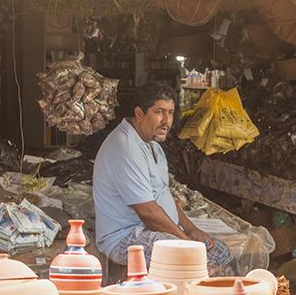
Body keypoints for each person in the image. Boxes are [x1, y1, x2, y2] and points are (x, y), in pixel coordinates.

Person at [93, 84, 235, 275]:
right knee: (187, 261)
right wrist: (185, 242)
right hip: (125, 237)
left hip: (156, 231)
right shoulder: (125, 147)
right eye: (159, 112)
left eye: (170, 112)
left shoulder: (153, 145)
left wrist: (191, 229)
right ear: (139, 113)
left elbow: (163, 194)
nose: (166, 121)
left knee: (221, 253)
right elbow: (148, 212)